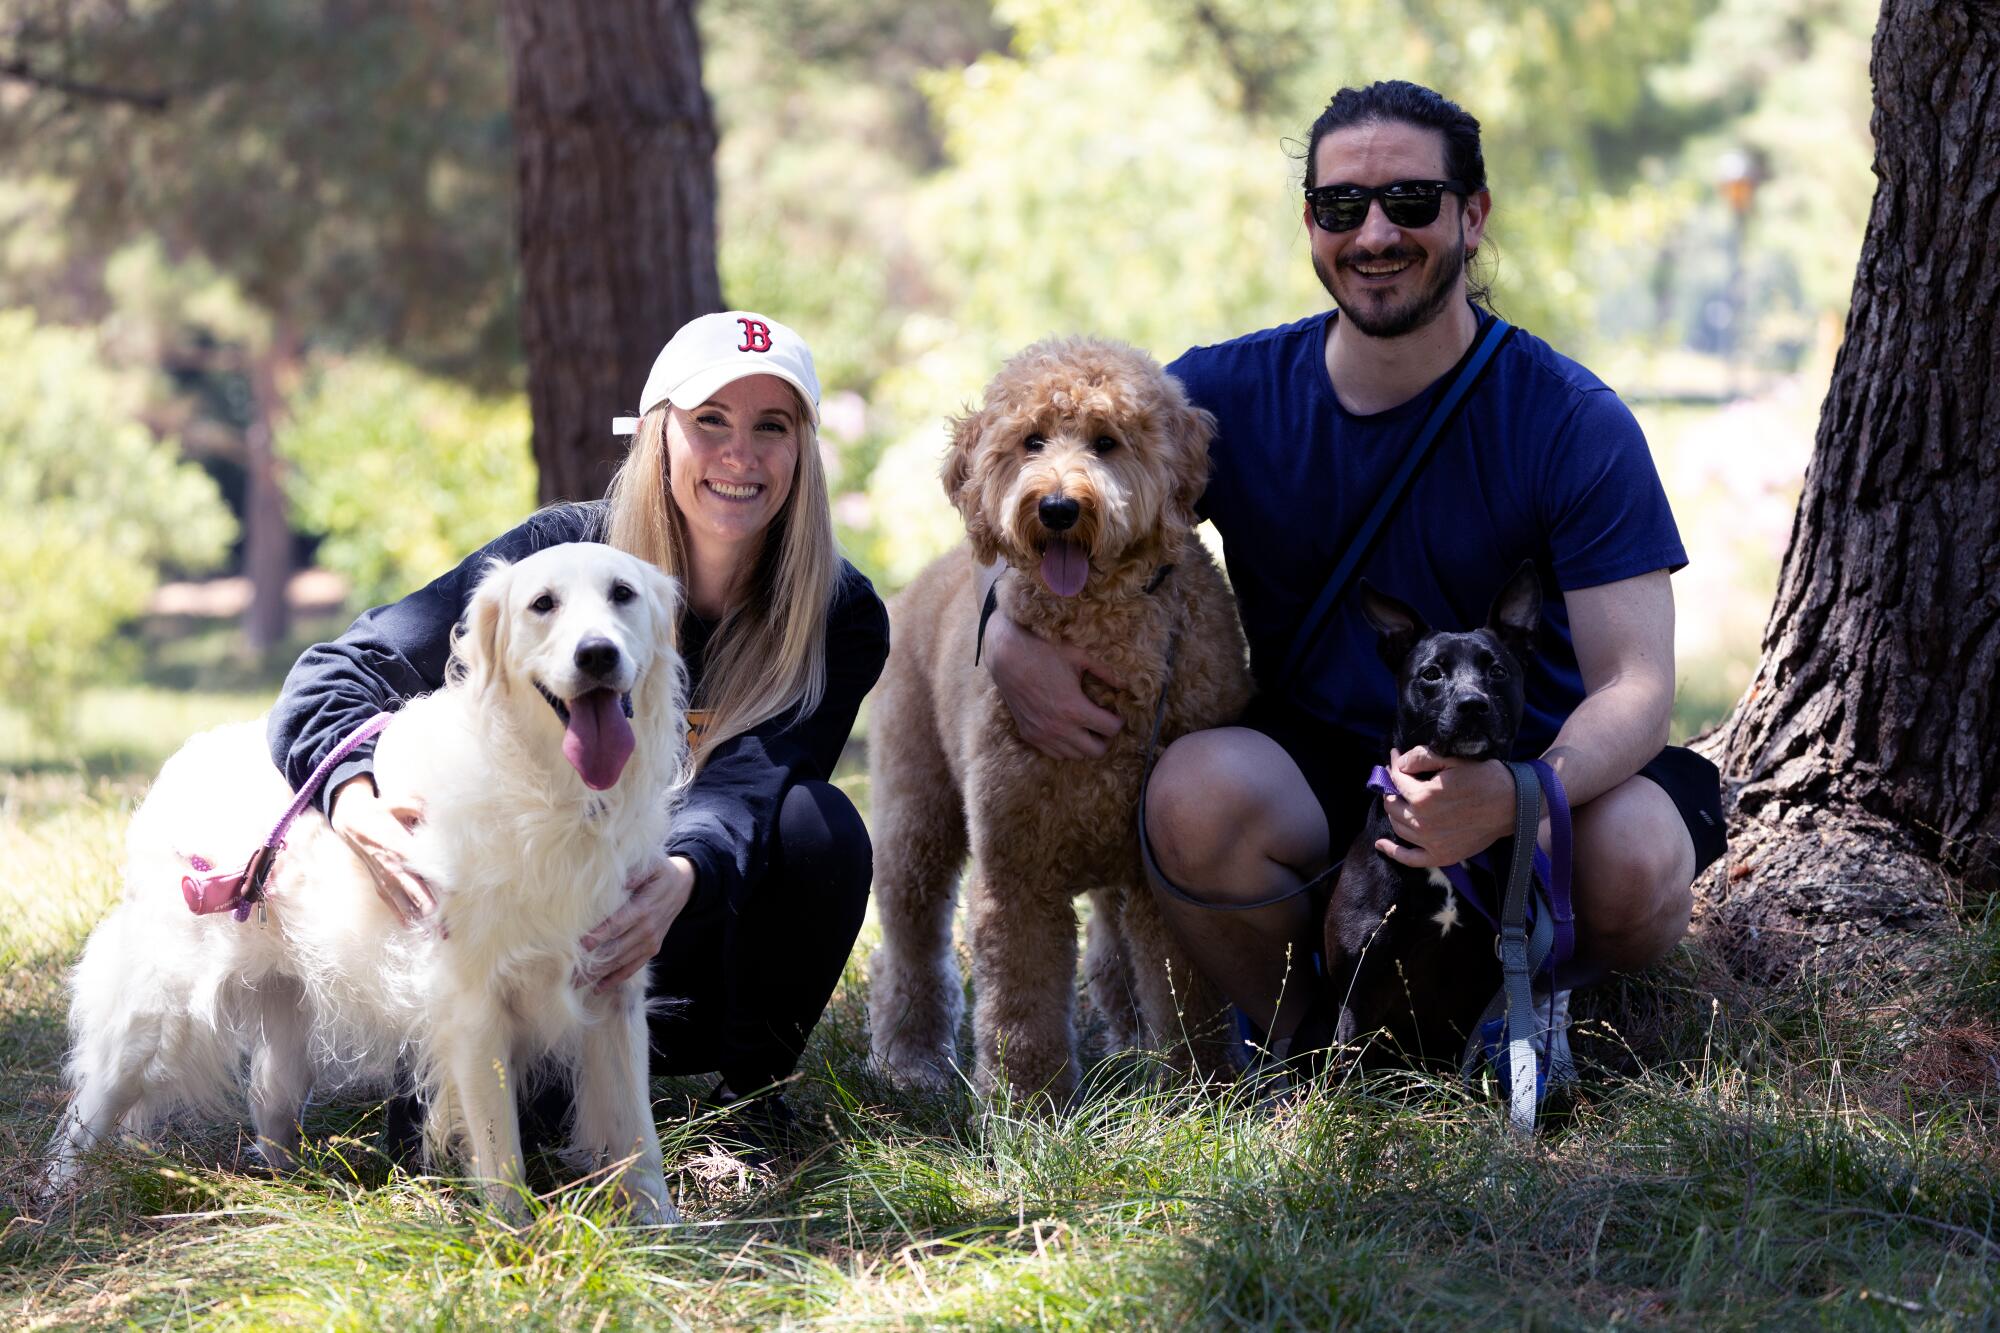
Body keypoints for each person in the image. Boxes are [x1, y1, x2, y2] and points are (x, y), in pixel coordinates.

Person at [982, 81, 1726, 1077]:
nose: (1374, 232)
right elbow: (1058, 484)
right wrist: (1002, 628)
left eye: (1410, 202)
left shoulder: (1569, 421)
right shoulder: (1221, 392)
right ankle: (1317, 1055)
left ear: (1472, 215)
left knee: (1638, 858)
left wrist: (1516, 791)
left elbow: (1635, 686)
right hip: (1322, 770)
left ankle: (1513, 1011)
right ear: (1311, 226)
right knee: (1191, 795)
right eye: (1342, 207)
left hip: (1531, 764)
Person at [269, 310, 887, 1152]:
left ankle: (748, 1106)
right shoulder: (560, 558)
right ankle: (517, 1090)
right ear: (658, 434)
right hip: (536, 952)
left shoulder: (840, 615)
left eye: (771, 427)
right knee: (457, 1150)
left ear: (802, 453)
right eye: (710, 421)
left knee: (822, 826)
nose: (740, 454)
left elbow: (758, 775)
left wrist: (682, 872)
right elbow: (337, 671)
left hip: (692, 945)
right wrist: (351, 796)